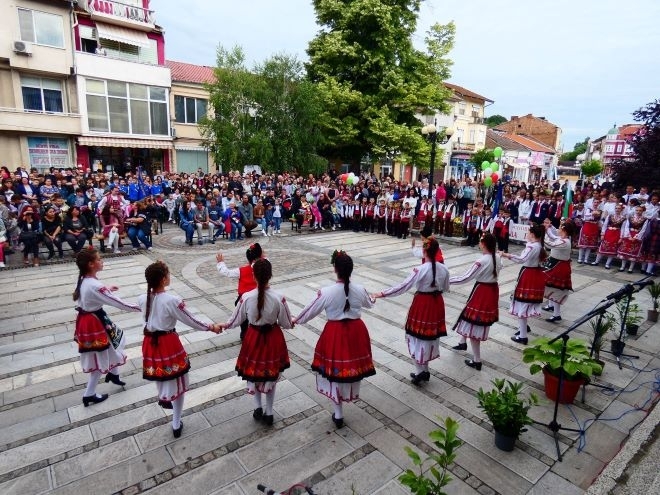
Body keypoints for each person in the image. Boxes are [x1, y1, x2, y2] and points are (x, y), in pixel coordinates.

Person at [294, 251, 376, 428]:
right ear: (351, 270)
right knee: (350, 368)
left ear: (335, 269)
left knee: (335, 371)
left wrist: (295, 320)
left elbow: (310, 311)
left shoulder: (326, 292)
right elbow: (369, 303)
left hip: (335, 333)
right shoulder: (360, 289)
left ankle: (338, 414)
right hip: (356, 332)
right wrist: (373, 298)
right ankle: (346, 398)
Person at [139, 261, 221, 437]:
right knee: (178, 380)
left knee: (161, 376)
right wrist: (210, 326)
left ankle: (164, 397)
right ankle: (176, 422)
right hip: (167, 344)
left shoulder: (143, 298)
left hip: (149, 343)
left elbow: (130, 306)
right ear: (163, 279)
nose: (170, 277)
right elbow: (191, 320)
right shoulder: (171, 301)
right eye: (168, 274)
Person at [221, 259, 294, 426]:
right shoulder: (279, 298)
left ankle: (257, 408)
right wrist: (295, 320)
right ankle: (269, 412)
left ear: (253, 276)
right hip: (272, 339)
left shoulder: (246, 298)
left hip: (253, 338)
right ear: (270, 275)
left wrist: (220, 327)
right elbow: (286, 323)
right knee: (270, 375)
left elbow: (234, 321)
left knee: (254, 374)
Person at [374, 238, 449, 385]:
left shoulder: (419, 270)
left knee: (414, 335)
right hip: (437, 303)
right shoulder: (444, 269)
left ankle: (420, 371)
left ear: (424, 251)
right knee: (428, 336)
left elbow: (403, 286)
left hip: (422, 303)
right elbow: (446, 288)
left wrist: (382, 293)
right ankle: (425, 371)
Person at [73, 249, 140, 407]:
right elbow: (119, 303)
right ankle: (89, 393)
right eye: (99, 259)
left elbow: (93, 293)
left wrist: (107, 289)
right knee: (99, 357)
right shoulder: (94, 285)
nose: (102, 261)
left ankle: (113, 374)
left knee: (117, 340)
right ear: (91, 264)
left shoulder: (85, 279)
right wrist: (143, 307)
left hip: (91, 320)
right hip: (94, 323)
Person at [450, 232, 501, 370]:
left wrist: (446, 281)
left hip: (482, 293)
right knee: (468, 317)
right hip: (490, 291)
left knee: (474, 323)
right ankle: (462, 342)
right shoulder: (497, 257)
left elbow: (465, 278)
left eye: (480, 241)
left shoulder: (482, 260)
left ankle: (477, 360)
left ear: (483, 244)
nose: (479, 243)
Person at [500, 224, 547, 344]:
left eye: (528, 232)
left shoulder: (532, 247)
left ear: (532, 234)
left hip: (529, 275)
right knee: (524, 303)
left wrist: (506, 255)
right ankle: (523, 329)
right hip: (533, 274)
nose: (527, 234)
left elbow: (521, 259)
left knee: (522, 303)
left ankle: (523, 336)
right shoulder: (539, 246)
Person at [216, 243, 264, 339]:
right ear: (260, 255)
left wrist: (221, 262)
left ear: (248, 258)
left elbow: (227, 272)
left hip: (244, 299)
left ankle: (244, 333)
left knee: (243, 318)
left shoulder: (241, 270)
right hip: (260, 296)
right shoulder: (265, 266)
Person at [542, 221, 574, 323]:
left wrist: (539, 236)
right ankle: (551, 306)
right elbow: (552, 236)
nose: (558, 229)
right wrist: (547, 230)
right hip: (554, 264)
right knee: (551, 286)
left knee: (557, 289)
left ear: (564, 230)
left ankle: (557, 314)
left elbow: (549, 245)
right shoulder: (562, 239)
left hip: (560, 267)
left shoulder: (565, 242)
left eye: (560, 227)